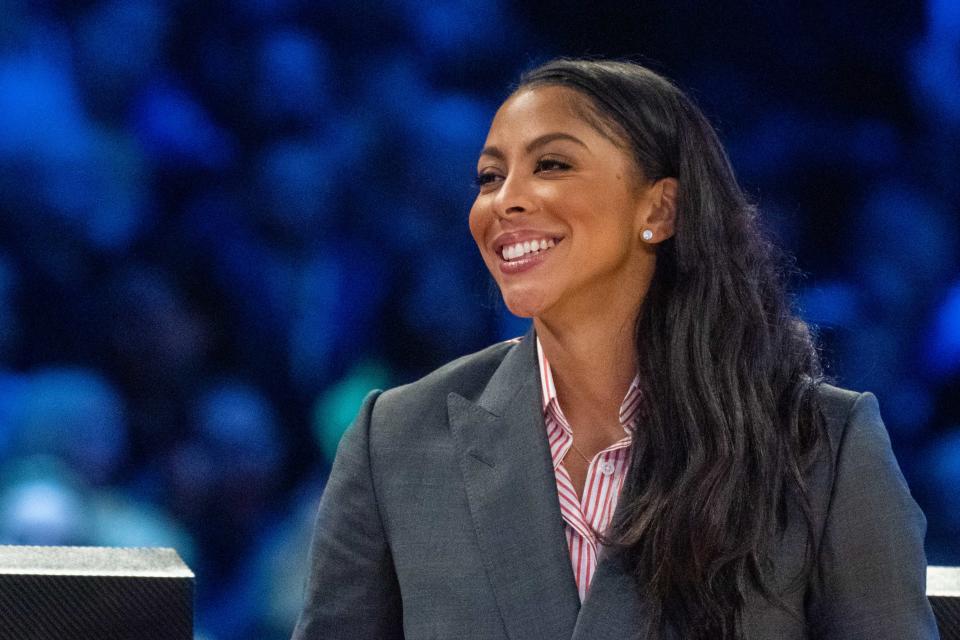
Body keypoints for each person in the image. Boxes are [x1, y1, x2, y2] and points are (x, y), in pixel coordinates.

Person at [291, 59, 938, 640]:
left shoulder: (822, 444)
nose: (504, 200)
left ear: (658, 208)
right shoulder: (397, 440)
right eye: (490, 176)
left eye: (552, 164)